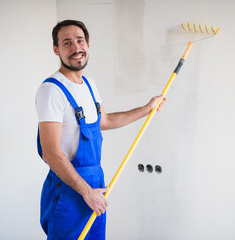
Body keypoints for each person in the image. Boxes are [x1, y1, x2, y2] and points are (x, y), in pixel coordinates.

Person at [35, 20, 164, 240]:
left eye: (80, 40)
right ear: (56, 49)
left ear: (88, 45)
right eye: (67, 43)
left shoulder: (89, 84)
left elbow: (103, 121)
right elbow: (50, 152)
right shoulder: (51, 90)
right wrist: (86, 192)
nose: (76, 48)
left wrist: (146, 109)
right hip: (70, 188)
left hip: (96, 183)